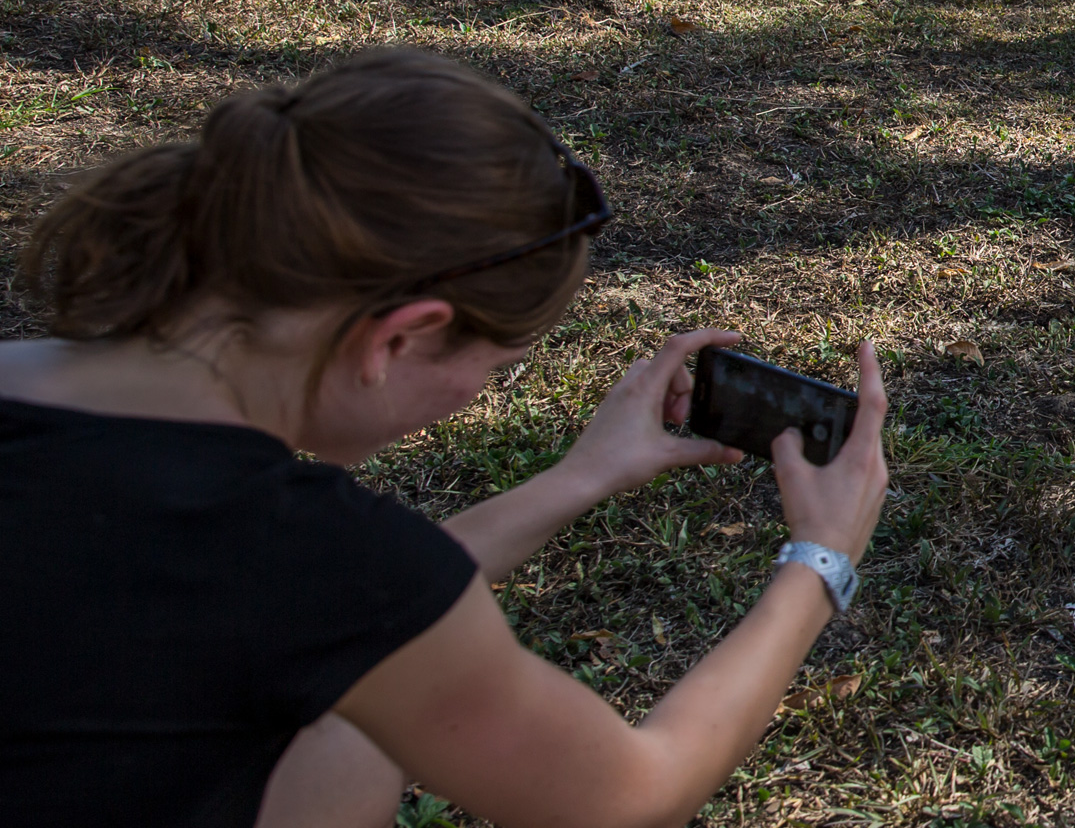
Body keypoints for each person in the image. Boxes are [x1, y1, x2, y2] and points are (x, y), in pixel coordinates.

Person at [0, 48, 891, 828]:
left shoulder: (38, 393)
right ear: (401, 337)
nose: (475, 396)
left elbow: (343, 614)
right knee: (346, 746)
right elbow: (633, 793)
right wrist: (819, 560)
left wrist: (582, 475)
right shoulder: (303, 551)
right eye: (494, 368)